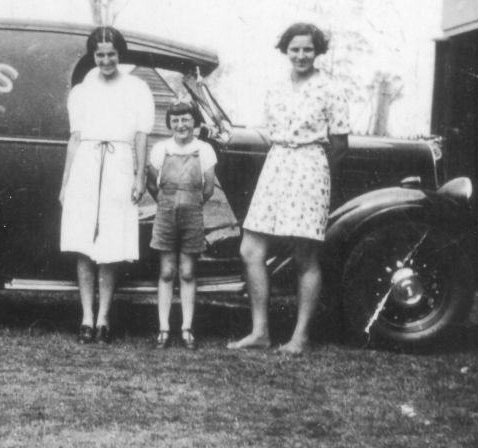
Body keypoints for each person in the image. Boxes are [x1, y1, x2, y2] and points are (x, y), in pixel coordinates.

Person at [228, 22, 350, 355]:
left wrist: (315, 172)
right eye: (294, 49)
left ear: (317, 51)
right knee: (250, 250)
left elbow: (340, 145)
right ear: (286, 51)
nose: (300, 55)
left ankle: (300, 337)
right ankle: (260, 332)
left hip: (310, 168)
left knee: (305, 257)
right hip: (276, 166)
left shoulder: (330, 88)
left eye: (307, 49)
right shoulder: (276, 88)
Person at [59, 26, 155, 344]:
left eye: (111, 54)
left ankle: (104, 318)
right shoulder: (82, 91)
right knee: (84, 245)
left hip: (118, 165)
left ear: (119, 54)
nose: (105, 60)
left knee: (111, 245)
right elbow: (74, 139)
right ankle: (86, 317)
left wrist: (139, 177)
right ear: (93, 56)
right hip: (86, 164)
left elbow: (141, 136)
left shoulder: (138, 88)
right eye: (99, 55)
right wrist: (66, 183)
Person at [147, 100, 217, 350]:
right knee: (166, 272)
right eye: (175, 120)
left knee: (187, 272)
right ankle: (164, 328)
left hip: (192, 215)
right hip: (165, 215)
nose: (181, 125)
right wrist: (167, 203)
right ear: (169, 124)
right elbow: (152, 184)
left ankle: (187, 328)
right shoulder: (160, 148)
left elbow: (208, 188)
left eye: (186, 119)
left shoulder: (205, 149)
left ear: (194, 122)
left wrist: (189, 202)